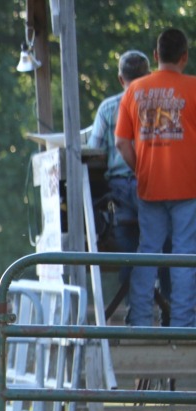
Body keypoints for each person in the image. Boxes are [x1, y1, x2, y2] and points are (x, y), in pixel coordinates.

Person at [115, 28, 196, 328]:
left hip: (150, 187)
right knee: (185, 256)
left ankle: (139, 320)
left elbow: (121, 143)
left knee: (147, 252)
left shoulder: (133, 92)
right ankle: (183, 325)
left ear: (156, 56)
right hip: (188, 187)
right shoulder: (194, 88)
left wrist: (141, 169)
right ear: (184, 57)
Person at [88, 50, 150, 259]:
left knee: (127, 250)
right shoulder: (157, 105)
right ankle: (162, 289)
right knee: (160, 245)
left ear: (120, 78)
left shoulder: (108, 107)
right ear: (149, 75)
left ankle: (129, 283)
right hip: (152, 186)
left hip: (120, 189)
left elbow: (93, 151)